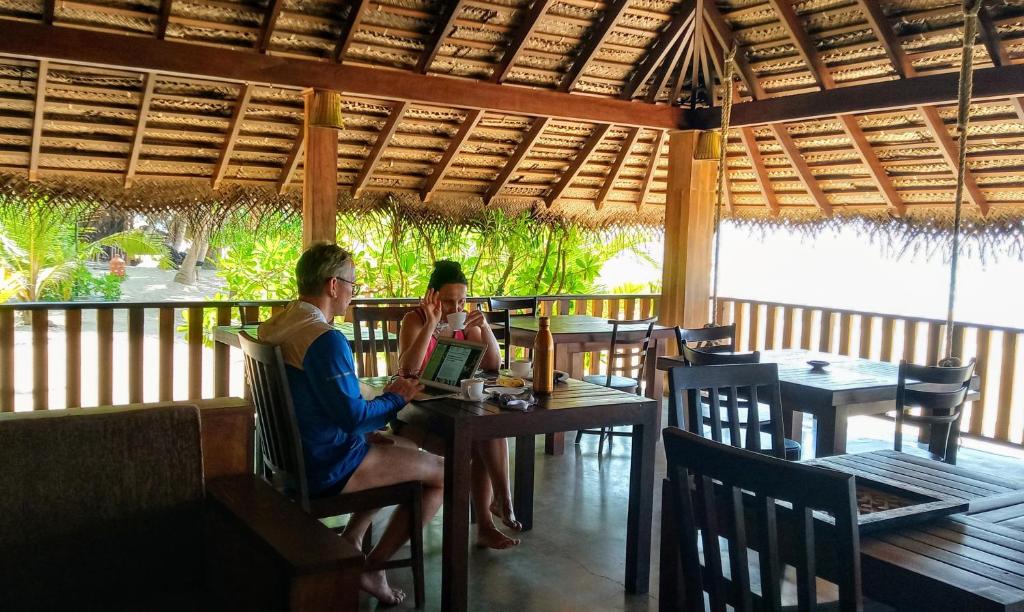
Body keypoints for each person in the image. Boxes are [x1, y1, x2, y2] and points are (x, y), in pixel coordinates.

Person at [259, 242, 443, 606]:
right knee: (442, 472)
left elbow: (325, 403)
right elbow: (353, 417)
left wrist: (372, 419)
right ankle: (373, 567)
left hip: (294, 458)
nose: (352, 293)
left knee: (404, 446)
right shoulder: (324, 339)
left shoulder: (278, 324)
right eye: (351, 285)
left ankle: (354, 537)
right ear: (333, 285)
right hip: (327, 466)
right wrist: (397, 398)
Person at [398, 260, 522, 550]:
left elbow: (493, 364)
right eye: (447, 301)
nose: (455, 308)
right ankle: (493, 515)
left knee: (487, 430)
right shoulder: (415, 319)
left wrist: (485, 328)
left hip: (452, 408)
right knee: (478, 441)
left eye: (461, 301)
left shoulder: (465, 324)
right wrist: (431, 323)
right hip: (418, 415)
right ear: (432, 296)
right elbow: (407, 369)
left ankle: (500, 505)